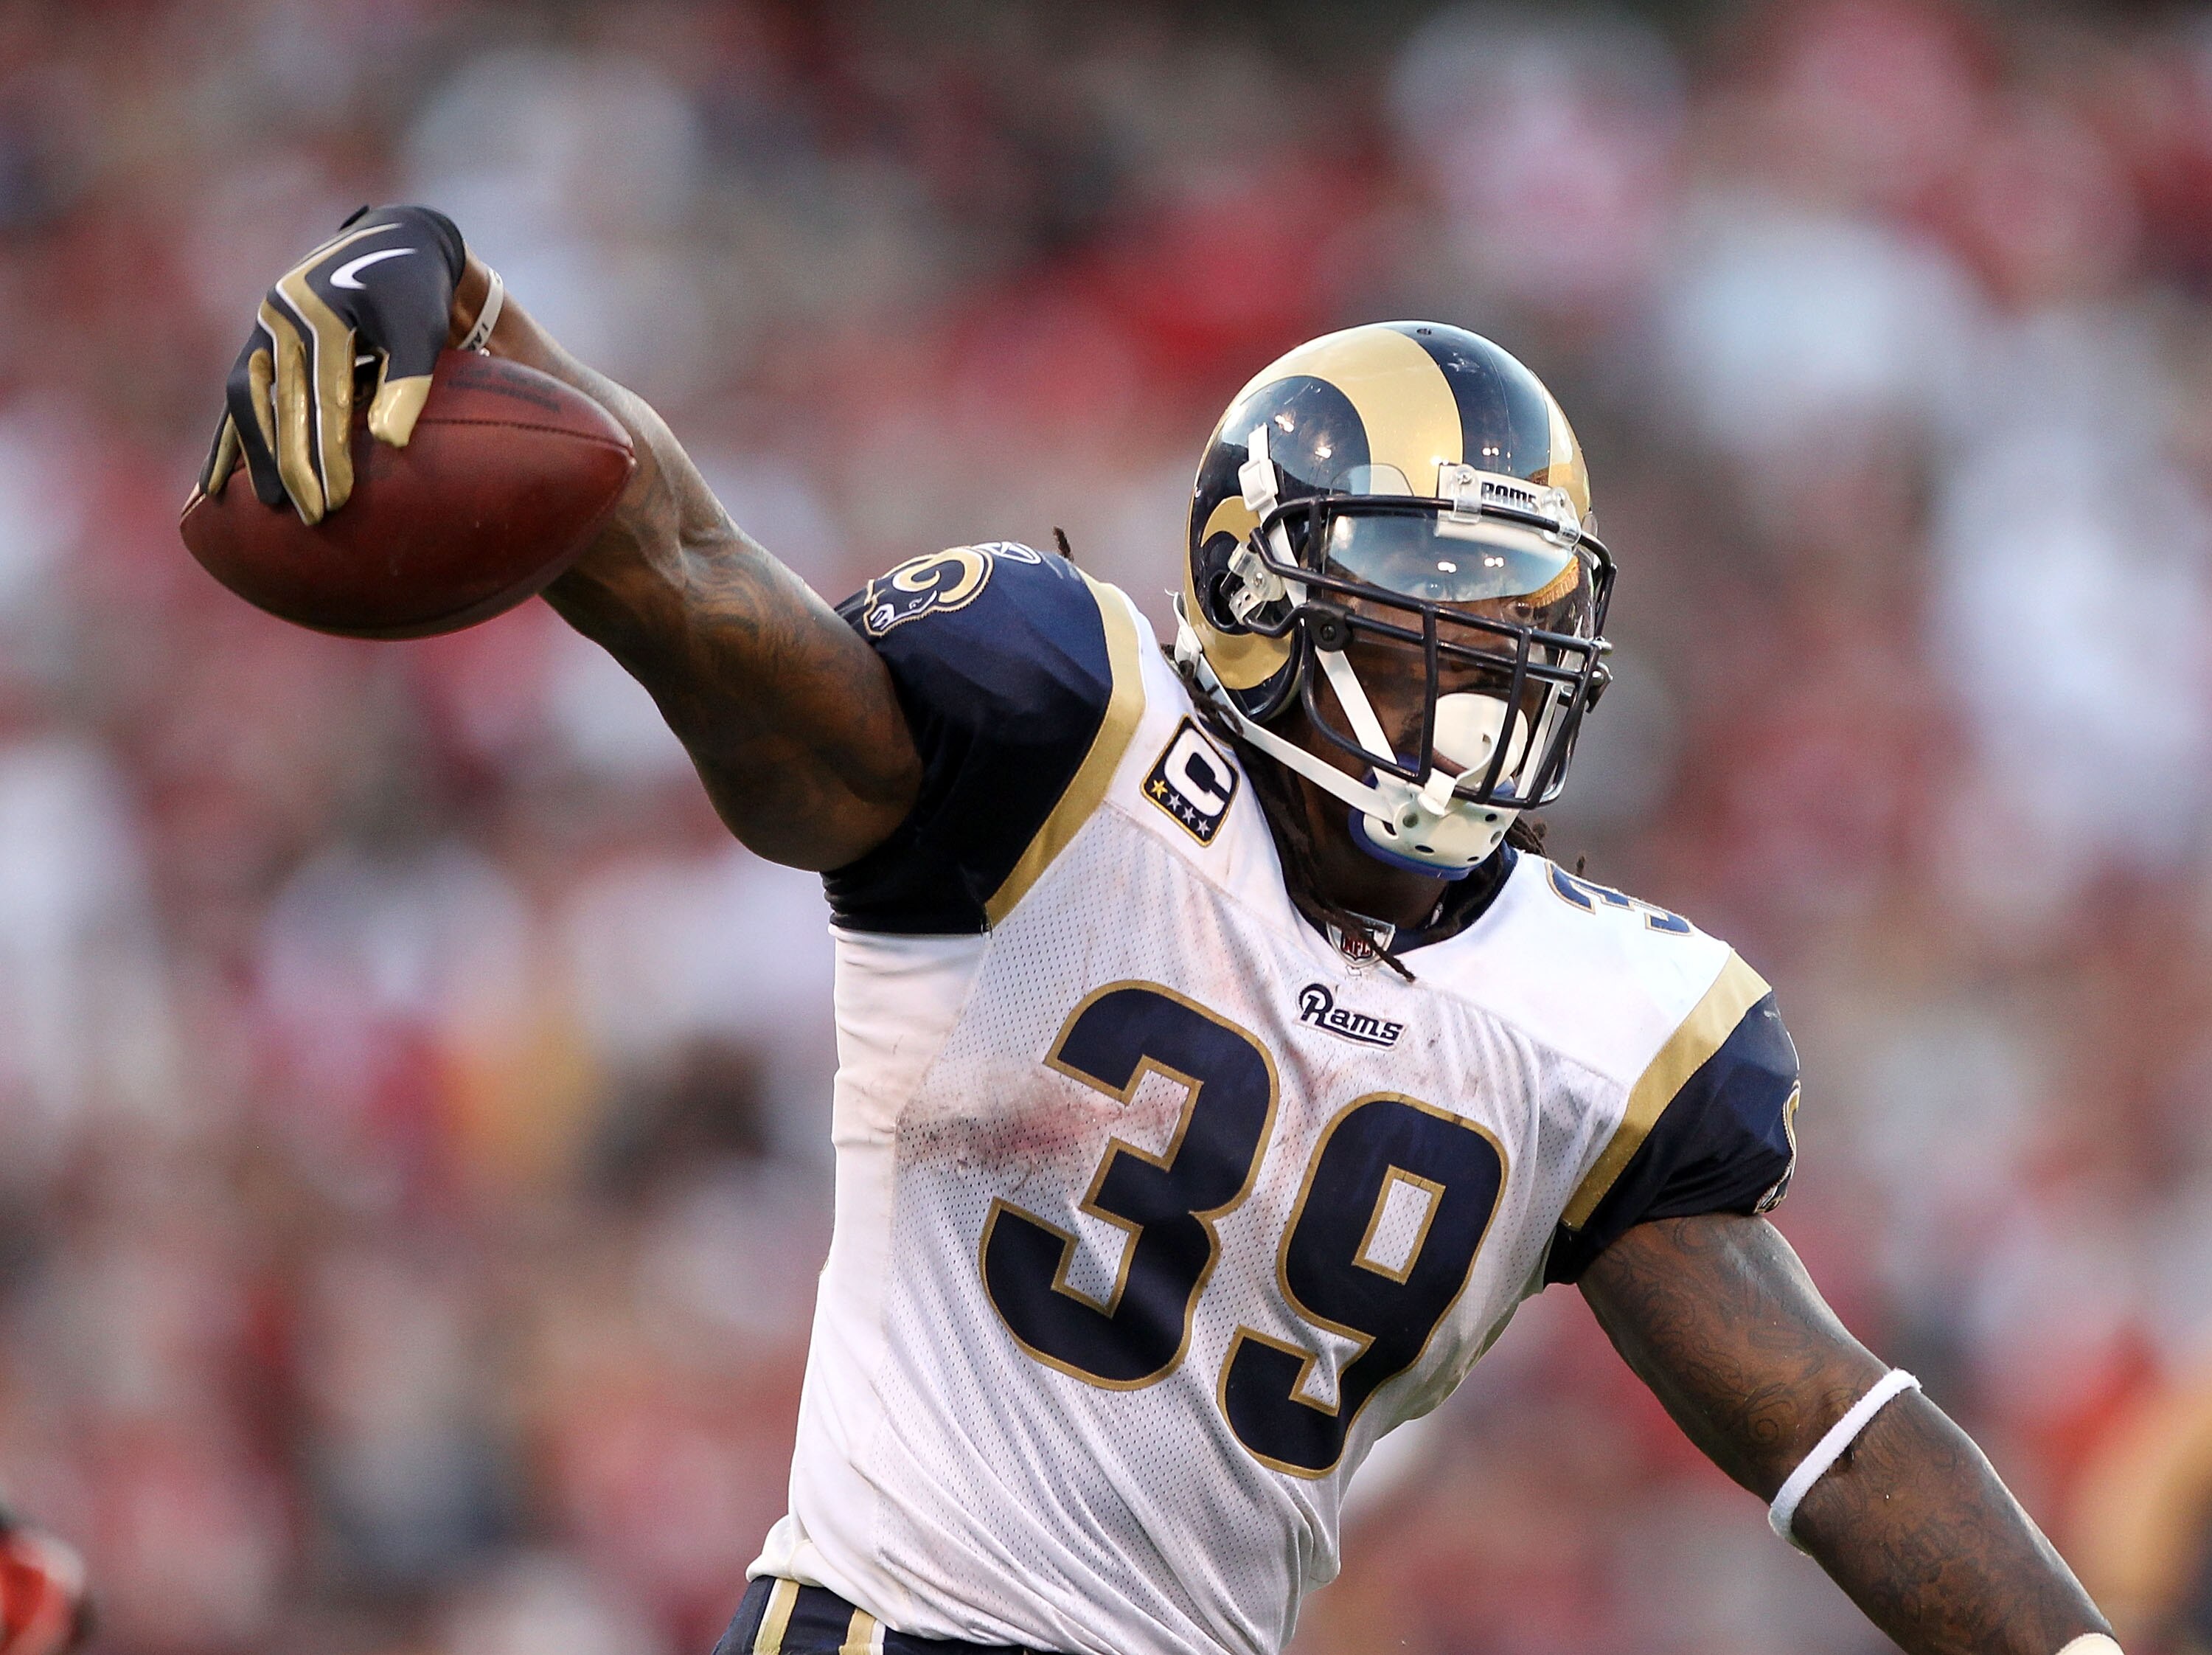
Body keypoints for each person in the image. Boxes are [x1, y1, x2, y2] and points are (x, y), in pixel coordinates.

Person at [199, 207, 2118, 1655]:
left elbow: (1839, 1435)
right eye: (1413, 624)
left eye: (1505, 636)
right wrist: (461, 312)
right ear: (1259, 597)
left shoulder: (1600, 1013)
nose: (1461, 698)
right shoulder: (1070, 744)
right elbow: (696, 577)